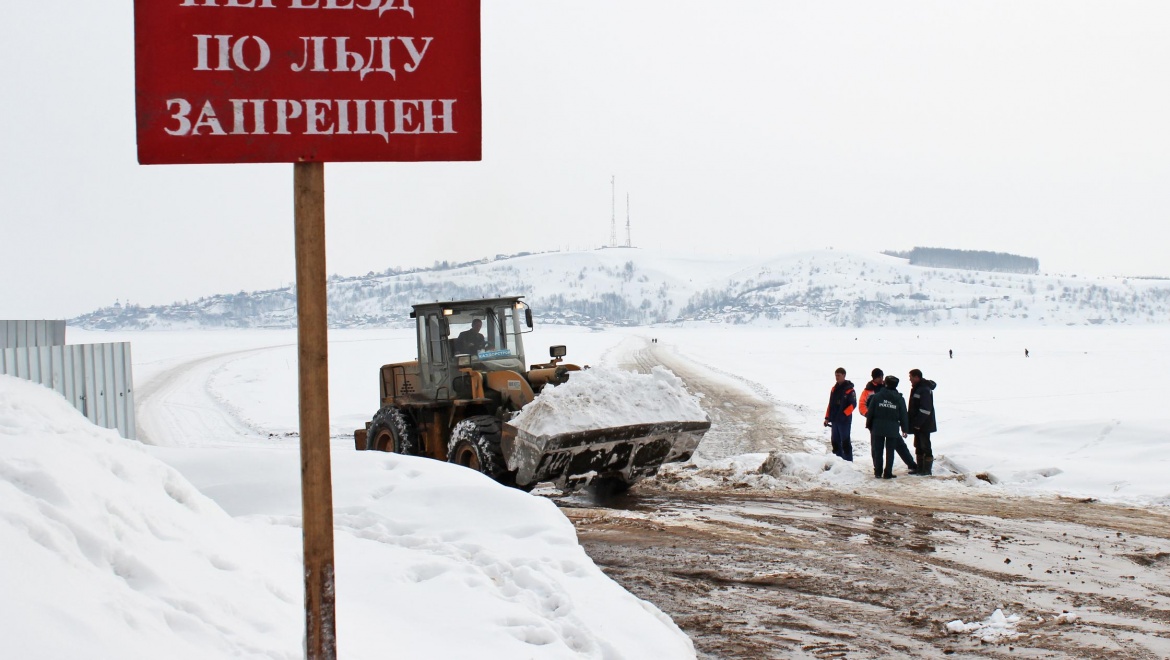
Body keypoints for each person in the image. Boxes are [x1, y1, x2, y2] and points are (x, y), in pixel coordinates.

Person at [864, 375, 918, 478]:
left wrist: (869, 425)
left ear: (885, 383)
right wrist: (904, 429)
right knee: (890, 451)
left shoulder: (877, 396)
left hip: (877, 427)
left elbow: (870, 412)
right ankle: (888, 473)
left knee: (878, 450)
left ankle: (878, 472)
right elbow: (903, 415)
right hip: (892, 428)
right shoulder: (899, 398)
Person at [907, 369, 938, 475]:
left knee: (925, 446)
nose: (909, 379)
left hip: (924, 425)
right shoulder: (917, 388)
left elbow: (925, 409)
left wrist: (917, 423)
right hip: (918, 424)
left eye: (911, 377)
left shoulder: (924, 389)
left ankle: (926, 470)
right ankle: (920, 468)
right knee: (918, 445)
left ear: (916, 377)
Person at [823, 367, 856, 461]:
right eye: (836, 375)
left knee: (845, 442)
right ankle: (837, 461)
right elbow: (830, 404)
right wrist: (827, 418)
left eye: (839, 375)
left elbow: (853, 405)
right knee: (835, 442)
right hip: (834, 420)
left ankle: (848, 462)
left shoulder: (850, 390)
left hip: (844, 421)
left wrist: (844, 415)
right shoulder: (834, 389)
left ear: (844, 375)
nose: (837, 377)